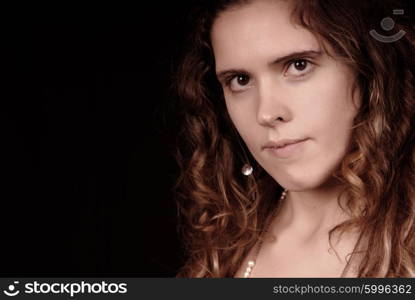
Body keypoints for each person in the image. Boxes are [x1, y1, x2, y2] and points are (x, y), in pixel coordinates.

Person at [172, 0, 415, 277]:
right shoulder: (226, 242)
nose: (266, 113)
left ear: (369, 69)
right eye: (240, 80)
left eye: (298, 66)